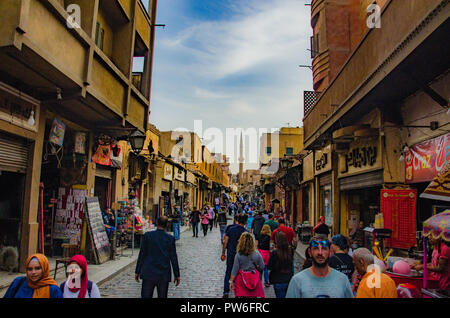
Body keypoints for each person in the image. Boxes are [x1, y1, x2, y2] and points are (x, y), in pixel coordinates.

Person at [286, 237, 353, 298]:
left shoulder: (342, 280)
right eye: (316, 248)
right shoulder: (297, 281)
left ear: (330, 252)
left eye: (324, 249)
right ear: (309, 252)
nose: (320, 253)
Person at [135, 216, 180, 298]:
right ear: (167, 224)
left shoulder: (148, 236)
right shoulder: (170, 238)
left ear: (156, 223)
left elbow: (142, 254)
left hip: (149, 272)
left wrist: (137, 271)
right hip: (163, 273)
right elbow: (173, 257)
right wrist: (177, 274)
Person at [229, 232, 265, 298]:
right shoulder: (257, 254)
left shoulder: (238, 255)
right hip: (253, 279)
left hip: (241, 280)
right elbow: (262, 266)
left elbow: (235, 269)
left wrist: (231, 281)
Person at [221, 214, 248, 298]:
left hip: (231, 254)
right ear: (245, 222)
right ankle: (238, 291)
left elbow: (225, 242)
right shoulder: (245, 232)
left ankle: (226, 291)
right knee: (239, 273)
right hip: (241, 256)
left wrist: (223, 253)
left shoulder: (231, 230)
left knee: (228, 272)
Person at [268, 232, 294, 298]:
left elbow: (269, 266)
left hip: (278, 280)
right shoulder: (290, 250)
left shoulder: (275, 253)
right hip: (289, 279)